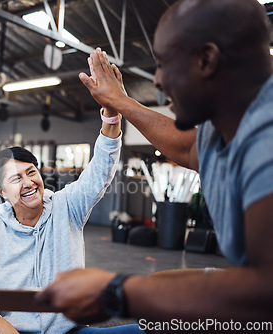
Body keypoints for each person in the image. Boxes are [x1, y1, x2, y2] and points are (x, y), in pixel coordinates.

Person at [37, 0, 273, 325]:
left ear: (206, 60)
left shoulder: (267, 138)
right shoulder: (224, 130)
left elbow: (264, 293)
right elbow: (188, 146)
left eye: (162, 63)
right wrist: (121, 102)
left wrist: (118, 292)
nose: (157, 80)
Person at [0, 96, 143, 333]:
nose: (28, 182)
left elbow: (100, 170)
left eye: (31, 172)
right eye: (16, 178)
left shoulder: (68, 206)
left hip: (69, 330)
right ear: (1, 191)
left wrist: (111, 115)